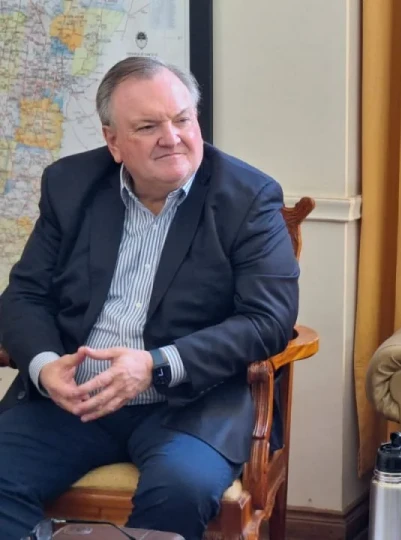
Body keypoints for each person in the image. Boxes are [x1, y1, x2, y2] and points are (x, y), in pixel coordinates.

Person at [0, 56, 299, 539]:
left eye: (182, 119)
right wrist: (44, 366)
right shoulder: (70, 185)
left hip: (188, 403)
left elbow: (269, 319)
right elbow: (25, 294)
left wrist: (155, 363)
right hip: (75, 399)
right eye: (148, 126)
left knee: (179, 488)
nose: (172, 136)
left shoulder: (246, 197)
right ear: (113, 141)